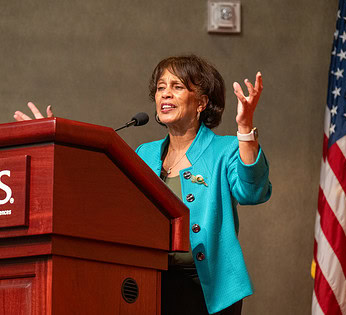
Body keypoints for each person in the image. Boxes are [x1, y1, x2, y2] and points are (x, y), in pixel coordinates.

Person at [14, 55, 271, 315]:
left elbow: (252, 192)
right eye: (161, 88)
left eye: (177, 87)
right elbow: (104, 199)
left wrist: (245, 128)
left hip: (208, 290)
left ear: (202, 102)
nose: (165, 95)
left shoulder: (225, 149)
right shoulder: (144, 154)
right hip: (149, 284)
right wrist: (53, 143)